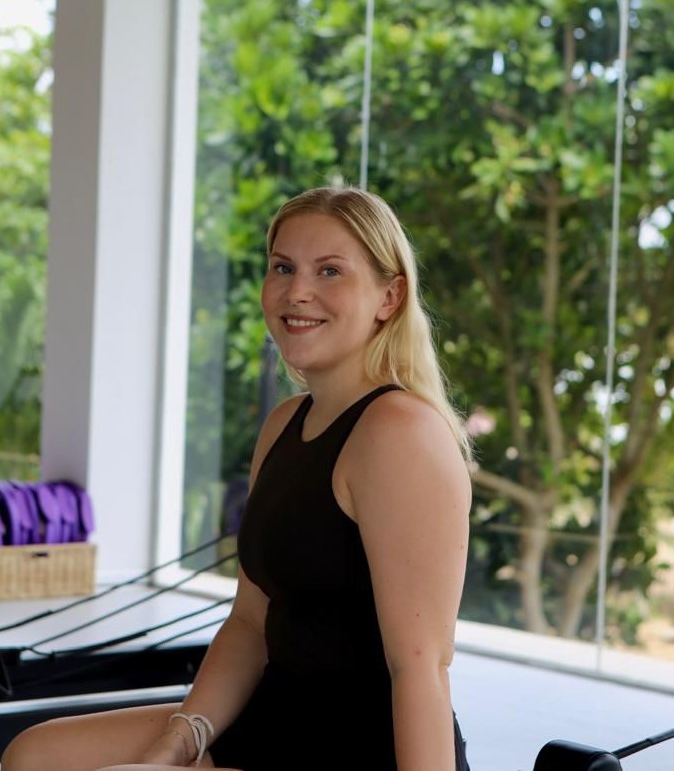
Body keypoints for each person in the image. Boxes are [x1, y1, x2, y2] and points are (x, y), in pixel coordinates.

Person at [2, 185, 473, 771]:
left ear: (389, 296)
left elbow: (422, 666)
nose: (297, 292)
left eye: (330, 271)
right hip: (273, 716)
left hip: (354, 746)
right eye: (283, 267)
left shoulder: (400, 432)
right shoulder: (285, 424)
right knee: (33, 754)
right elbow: (250, 621)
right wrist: (176, 744)